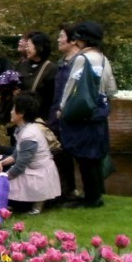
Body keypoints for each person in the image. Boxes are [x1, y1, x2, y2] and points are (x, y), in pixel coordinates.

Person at [57, 21, 117, 208]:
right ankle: (95, 194)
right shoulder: (104, 59)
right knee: (94, 155)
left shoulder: (83, 59)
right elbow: (111, 88)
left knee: (83, 156)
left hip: (83, 112)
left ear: (82, 39)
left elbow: (71, 85)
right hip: (98, 111)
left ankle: (91, 198)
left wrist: (63, 107)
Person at [0, 91, 61, 215]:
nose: (11, 111)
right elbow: (17, 154)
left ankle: (38, 202)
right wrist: (2, 161)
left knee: (4, 184)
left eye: (14, 109)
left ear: (22, 113)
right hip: (33, 170)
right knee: (0, 167)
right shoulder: (25, 129)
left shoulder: (29, 135)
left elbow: (20, 166)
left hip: (38, 175)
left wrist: (1, 179)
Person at [48, 23, 81, 205]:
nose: (59, 39)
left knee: (67, 154)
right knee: (59, 155)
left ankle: (70, 192)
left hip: (68, 117)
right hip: (56, 116)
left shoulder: (79, 62)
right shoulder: (63, 62)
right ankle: (62, 191)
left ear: (73, 40)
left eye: (62, 36)